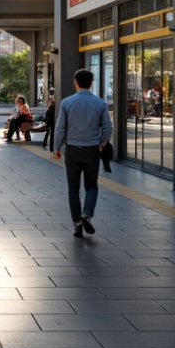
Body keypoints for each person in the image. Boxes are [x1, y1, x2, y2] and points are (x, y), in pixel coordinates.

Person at [53, 68, 113, 238]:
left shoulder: (66, 102)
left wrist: (56, 149)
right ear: (91, 83)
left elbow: (60, 128)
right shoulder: (101, 103)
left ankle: (77, 224)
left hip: (72, 149)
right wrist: (101, 144)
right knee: (91, 185)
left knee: (73, 187)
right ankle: (86, 214)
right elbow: (108, 128)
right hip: (92, 150)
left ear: (75, 82)